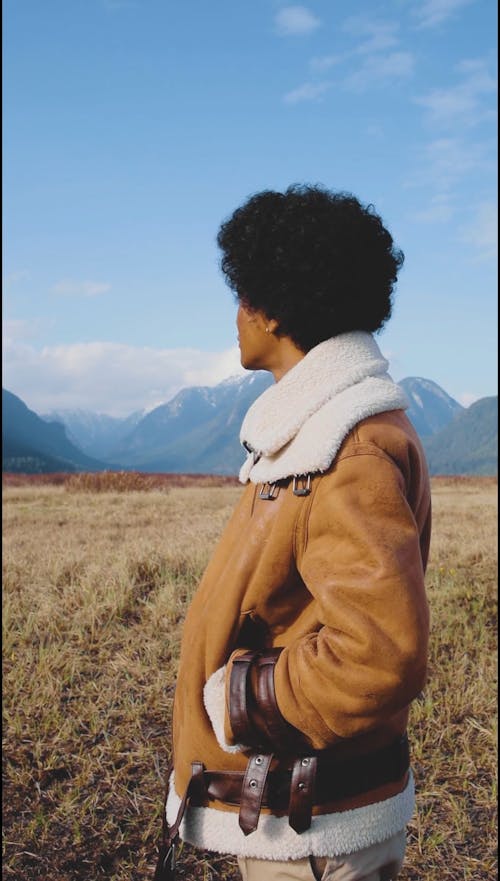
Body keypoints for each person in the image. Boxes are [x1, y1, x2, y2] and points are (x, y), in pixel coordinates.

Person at [154, 184, 431, 881]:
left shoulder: (347, 451)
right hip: (304, 814)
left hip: (314, 831)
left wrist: (244, 698)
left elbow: (378, 654)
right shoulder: (314, 437)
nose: (236, 313)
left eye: (243, 292)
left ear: (275, 307)